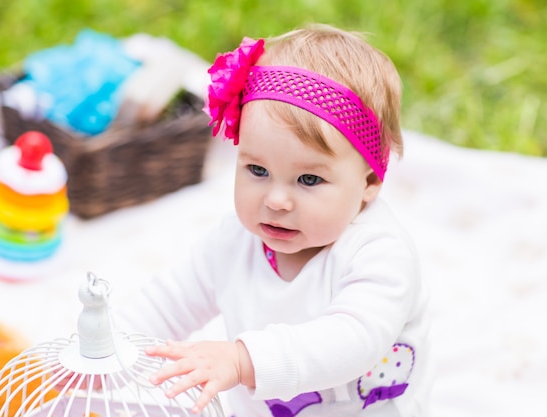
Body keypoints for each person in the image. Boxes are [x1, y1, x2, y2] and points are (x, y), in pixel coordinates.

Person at [119, 23, 430, 417]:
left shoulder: (379, 253)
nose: (277, 200)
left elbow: (353, 341)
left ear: (369, 182)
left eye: (309, 179)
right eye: (257, 170)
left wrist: (241, 361)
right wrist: (113, 347)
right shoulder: (236, 241)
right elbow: (170, 302)